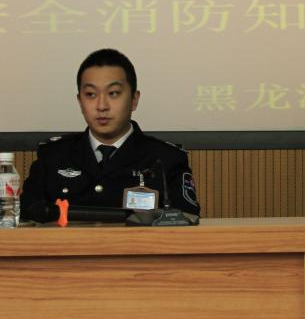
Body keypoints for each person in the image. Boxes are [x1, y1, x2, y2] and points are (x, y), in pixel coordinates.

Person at [20, 48, 199, 221]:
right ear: (80, 101)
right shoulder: (53, 156)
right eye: (91, 94)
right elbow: (26, 218)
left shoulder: (166, 160)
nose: (102, 106)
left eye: (113, 93)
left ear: (134, 99)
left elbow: (187, 222)